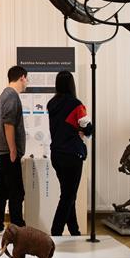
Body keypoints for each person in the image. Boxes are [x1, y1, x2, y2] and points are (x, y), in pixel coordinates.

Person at [48, 70, 94, 236]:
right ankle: (56, 232)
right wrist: (82, 131)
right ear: (71, 85)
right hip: (72, 155)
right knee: (68, 196)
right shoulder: (76, 104)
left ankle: (74, 231)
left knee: (68, 194)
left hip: (56, 154)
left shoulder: (51, 104)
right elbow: (88, 129)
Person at [0, 65, 28, 236]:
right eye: (26, 79)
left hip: (1, 151)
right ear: (22, 77)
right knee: (16, 192)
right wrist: (13, 149)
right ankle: (18, 227)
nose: (26, 83)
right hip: (7, 153)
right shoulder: (12, 96)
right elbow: (8, 125)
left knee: (3, 189)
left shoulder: (6, 94)